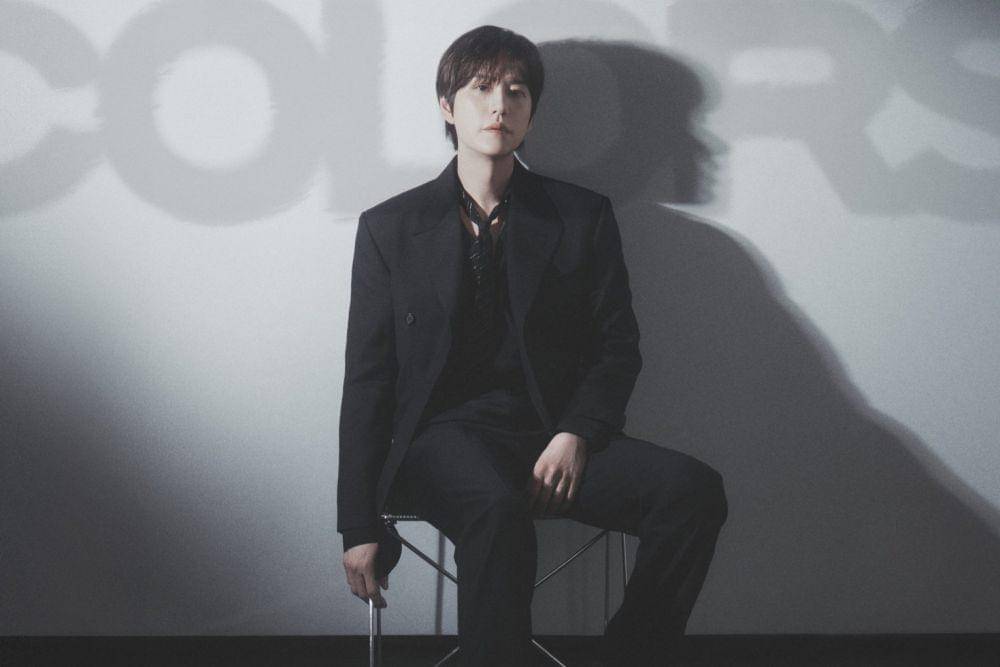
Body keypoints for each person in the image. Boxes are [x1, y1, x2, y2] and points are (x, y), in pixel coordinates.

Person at [339, 24, 728, 666]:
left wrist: (577, 431)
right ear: (447, 106)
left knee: (692, 491)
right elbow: (367, 380)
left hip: (551, 437)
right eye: (482, 88)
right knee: (496, 510)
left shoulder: (581, 215)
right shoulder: (391, 227)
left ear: (532, 112)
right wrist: (356, 523)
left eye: (516, 91)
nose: (500, 105)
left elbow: (617, 345)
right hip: (440, 442)